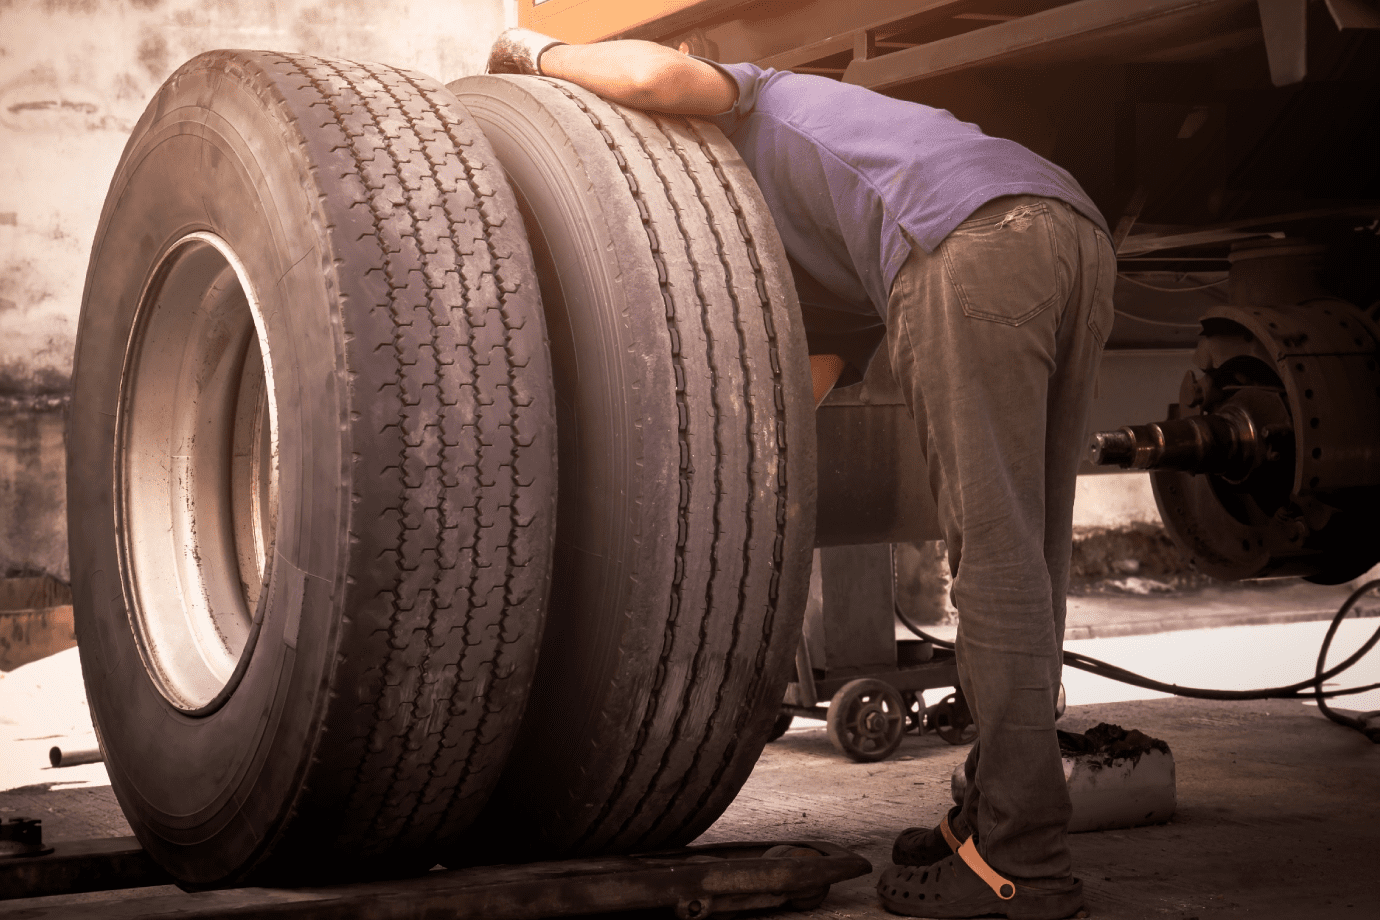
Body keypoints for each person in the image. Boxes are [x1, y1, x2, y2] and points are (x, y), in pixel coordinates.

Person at [487, 28, 1115, 920]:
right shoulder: (815, 205)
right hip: (1069, 227)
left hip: (969, 240)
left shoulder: (757, 94)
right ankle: (995, 808)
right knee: (1032, 550)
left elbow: (654, 73)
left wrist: (532, 51)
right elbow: (792, 399)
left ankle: (1022, 863)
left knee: (998, 557)